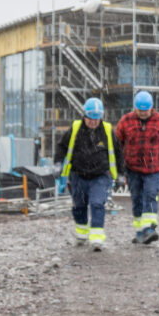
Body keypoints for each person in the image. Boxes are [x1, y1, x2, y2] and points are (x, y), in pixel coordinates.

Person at [54, 97, 123, 251]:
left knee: (97, 204)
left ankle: (97, 238)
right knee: (79, 205)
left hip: (100, 176)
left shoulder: (107, 131)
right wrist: (58, 163)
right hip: (78, 175)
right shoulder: (75, 128)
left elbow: (118, 153)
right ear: (84, 115)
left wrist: (120, 174)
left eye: (96, 119)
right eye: (90, 118)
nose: (93, 122)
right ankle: (82, 234)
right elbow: (61, 147)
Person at [114, 90, 159, 244]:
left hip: (154, 169)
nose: (143, 113)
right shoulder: (125, 121)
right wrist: (117, 168)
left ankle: (149, 229)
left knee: (150, 194)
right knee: (136, 199)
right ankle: (139, 231)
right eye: (140, 111)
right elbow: (117, 145)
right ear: (135, 108)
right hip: (132, 169)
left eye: (146, 111)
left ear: (151, 108)